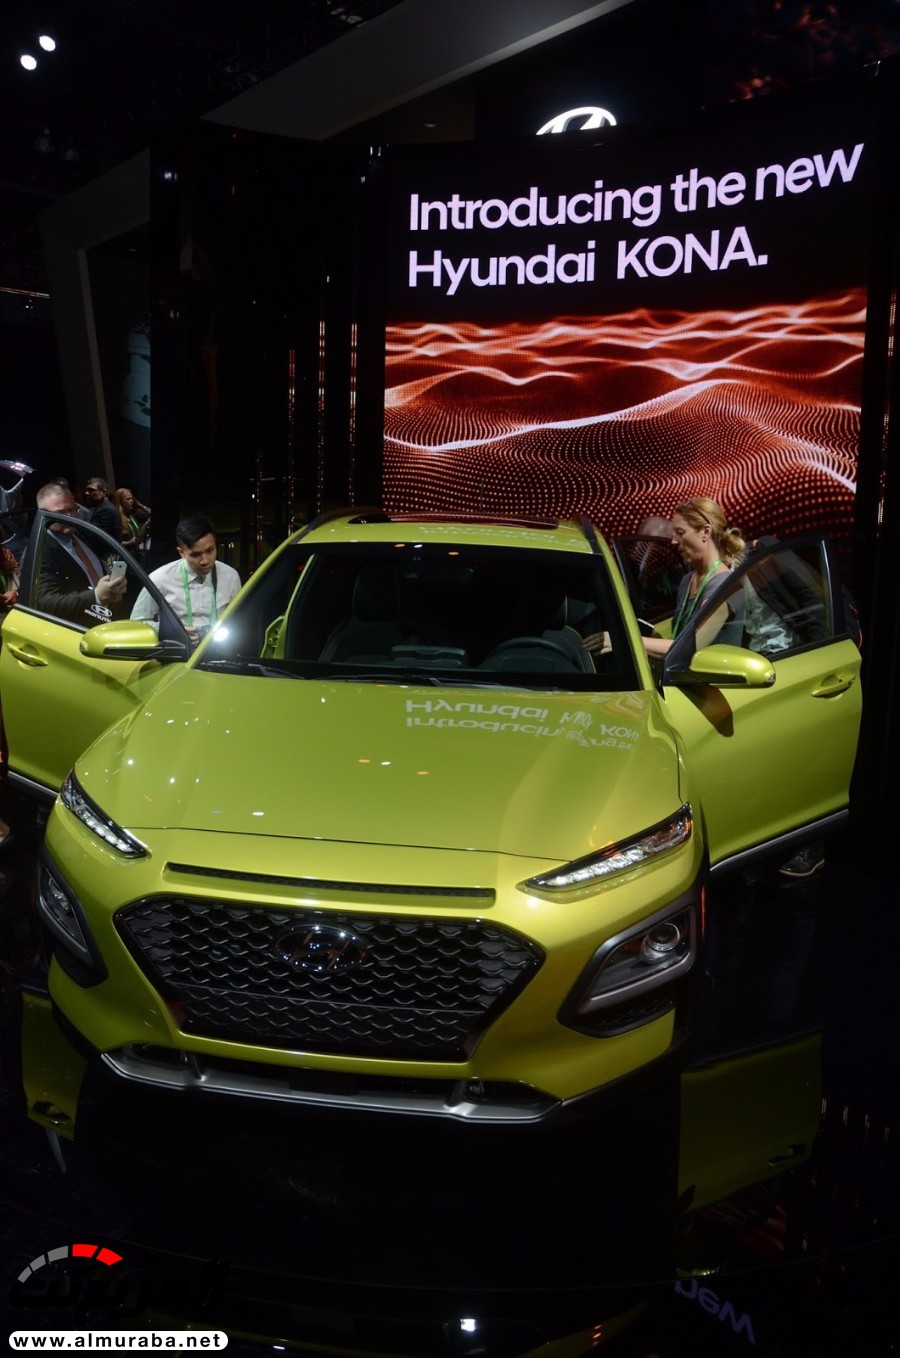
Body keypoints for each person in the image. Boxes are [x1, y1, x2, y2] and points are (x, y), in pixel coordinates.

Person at [643, 497, 746, 660]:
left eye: (680, 533)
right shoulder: (687, 580)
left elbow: (689, 647)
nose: (673, 541)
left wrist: (626, 642)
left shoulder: (724, 585)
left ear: (705, 532)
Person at [130, 513, 241, 646]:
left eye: (210, 551)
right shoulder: (159, 579)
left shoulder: (231, 577)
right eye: (195, 555)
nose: (205, 561)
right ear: (181, 552)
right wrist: (169, 630)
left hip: (220, 651)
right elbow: (136, 623)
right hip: (176, 653)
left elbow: (239, 620)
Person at [34, 482, 128, 624]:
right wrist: (96, 596)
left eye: (73, 509)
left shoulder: (81, 534)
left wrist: (114, 586)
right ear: (43, 515)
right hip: (78, 629)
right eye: (61, 513)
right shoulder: (40, 551)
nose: (70, 516)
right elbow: (47, 603)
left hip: (109, 620)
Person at [113, 487, 151, 553]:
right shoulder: (116, 518)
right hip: (125, 554)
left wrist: (139, 504)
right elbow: (113, 541)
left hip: (136, 553)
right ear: (120, 501)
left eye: (132, 498)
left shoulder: (131, 515)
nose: (132, 501)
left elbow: (150, 513)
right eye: (128, 499)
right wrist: (128, 543)